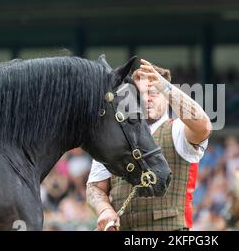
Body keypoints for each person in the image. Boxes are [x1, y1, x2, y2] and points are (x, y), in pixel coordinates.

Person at [86, 59, 212, 231]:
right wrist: (105, 210)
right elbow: (95, 187)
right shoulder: (113, 137)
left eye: (153, 92)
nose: (145, 99)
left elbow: (204, 126)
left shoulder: (177, 130)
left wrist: (165, 86)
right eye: (139, 94)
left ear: (167, 98)